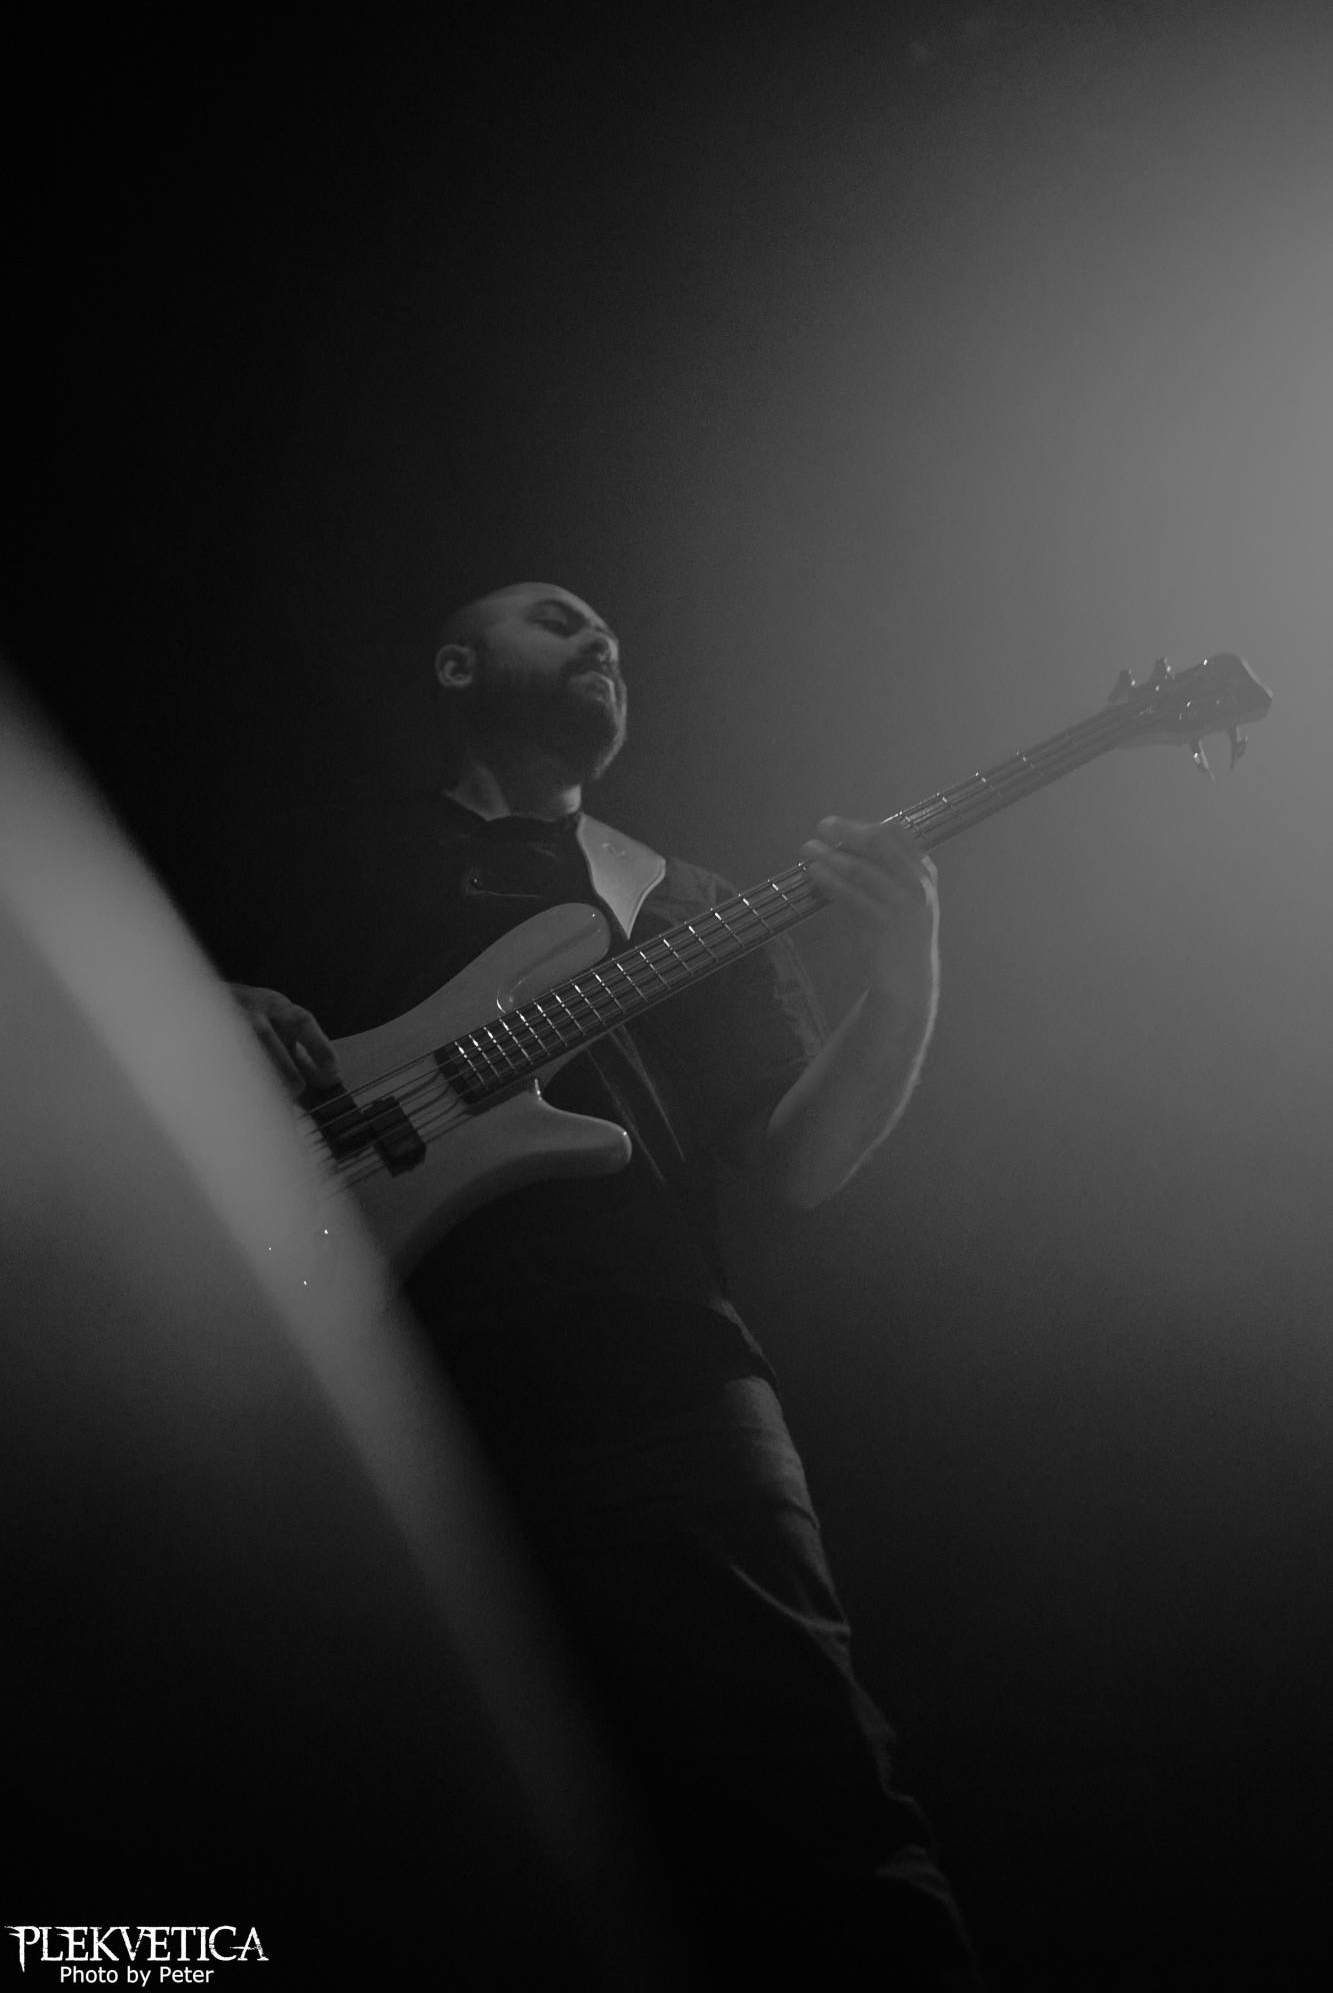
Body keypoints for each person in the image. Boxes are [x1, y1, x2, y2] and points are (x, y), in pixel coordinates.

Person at [231, 580, 979, 1987]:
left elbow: (795, 1165)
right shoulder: (332, 854)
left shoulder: (681, 901)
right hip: (383, 1408)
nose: (601, 638)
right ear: (458, 666)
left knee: (814, 1813)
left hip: (660, 1384)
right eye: (553, 617)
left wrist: (902, 982)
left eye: (610, 634)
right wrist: (217, 1005)